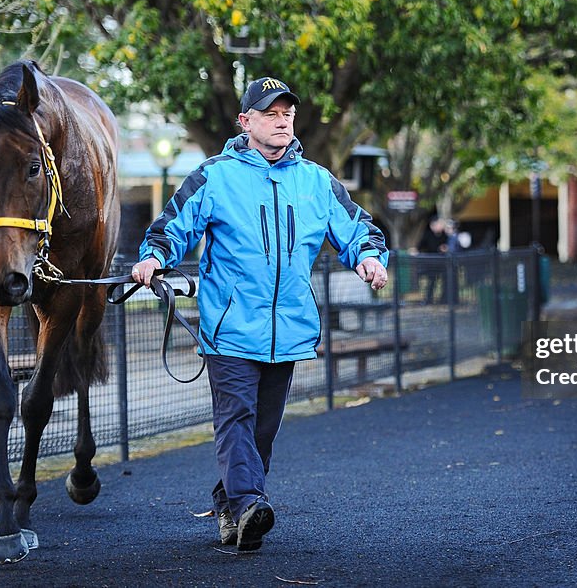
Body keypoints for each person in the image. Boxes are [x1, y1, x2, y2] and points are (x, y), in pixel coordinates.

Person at [130, 76, 389, 553]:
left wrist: (370, 258)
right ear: (245, 121)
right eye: (270, 113)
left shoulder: (315, 180)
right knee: (237, 417)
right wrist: (154, 258)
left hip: (287, 330)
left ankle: (232, 507)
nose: (281, 121)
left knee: (262, 431)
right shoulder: (214, 175)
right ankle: (249, 503)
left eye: (286, 113)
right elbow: (173, 226)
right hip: (229, 329)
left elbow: (359, 228)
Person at [416, 215, 448, 304]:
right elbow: (420, 246)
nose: (441, 226)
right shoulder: (427, 234)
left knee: (445, 281)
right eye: (439, 224)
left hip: (442, 263)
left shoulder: (444, 235)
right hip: (431, 264)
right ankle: (428, 299)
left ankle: (444, 299)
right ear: (432, 225)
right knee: (431, 282)